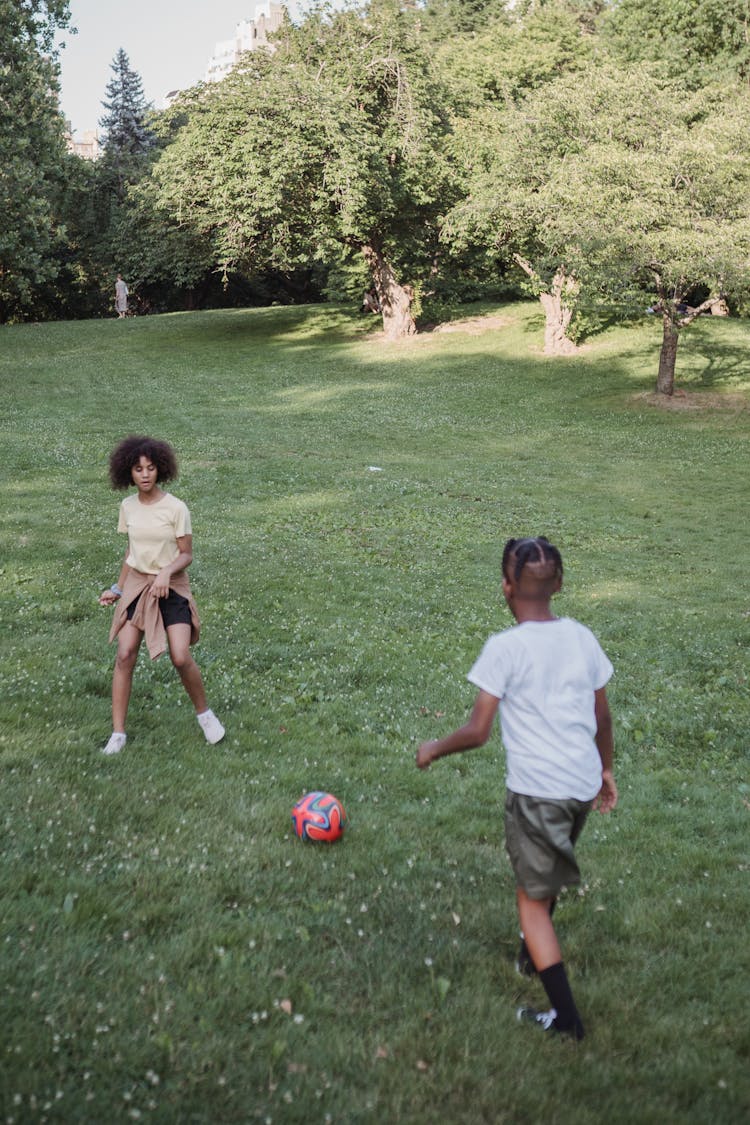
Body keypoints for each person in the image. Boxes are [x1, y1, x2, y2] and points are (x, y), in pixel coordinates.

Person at [416, 536, 617, 1040]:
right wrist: (606, 771)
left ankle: (566, 1019)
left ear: (506, 587)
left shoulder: (505, 649)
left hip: (539, 791)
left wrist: (435, 748)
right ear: (560, 585)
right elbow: (602, 715)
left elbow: (478, 731)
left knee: (532, 898)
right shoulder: (581, 637)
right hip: (579, 785)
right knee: (544, 871)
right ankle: (532, 956)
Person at [98, 435, 225, 755]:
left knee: (180, 655)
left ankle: (205, 715)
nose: (144, 474)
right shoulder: (127, 507)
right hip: (138, 587)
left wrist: (166, 573)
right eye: (138, 469)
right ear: (128, 472)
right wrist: (117, 588)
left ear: (160, 469)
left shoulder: (176, 508)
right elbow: (131, 551)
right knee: (125, 654)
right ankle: (118, 734)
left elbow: (186, 554)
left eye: (151, 468)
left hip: (172, 587)